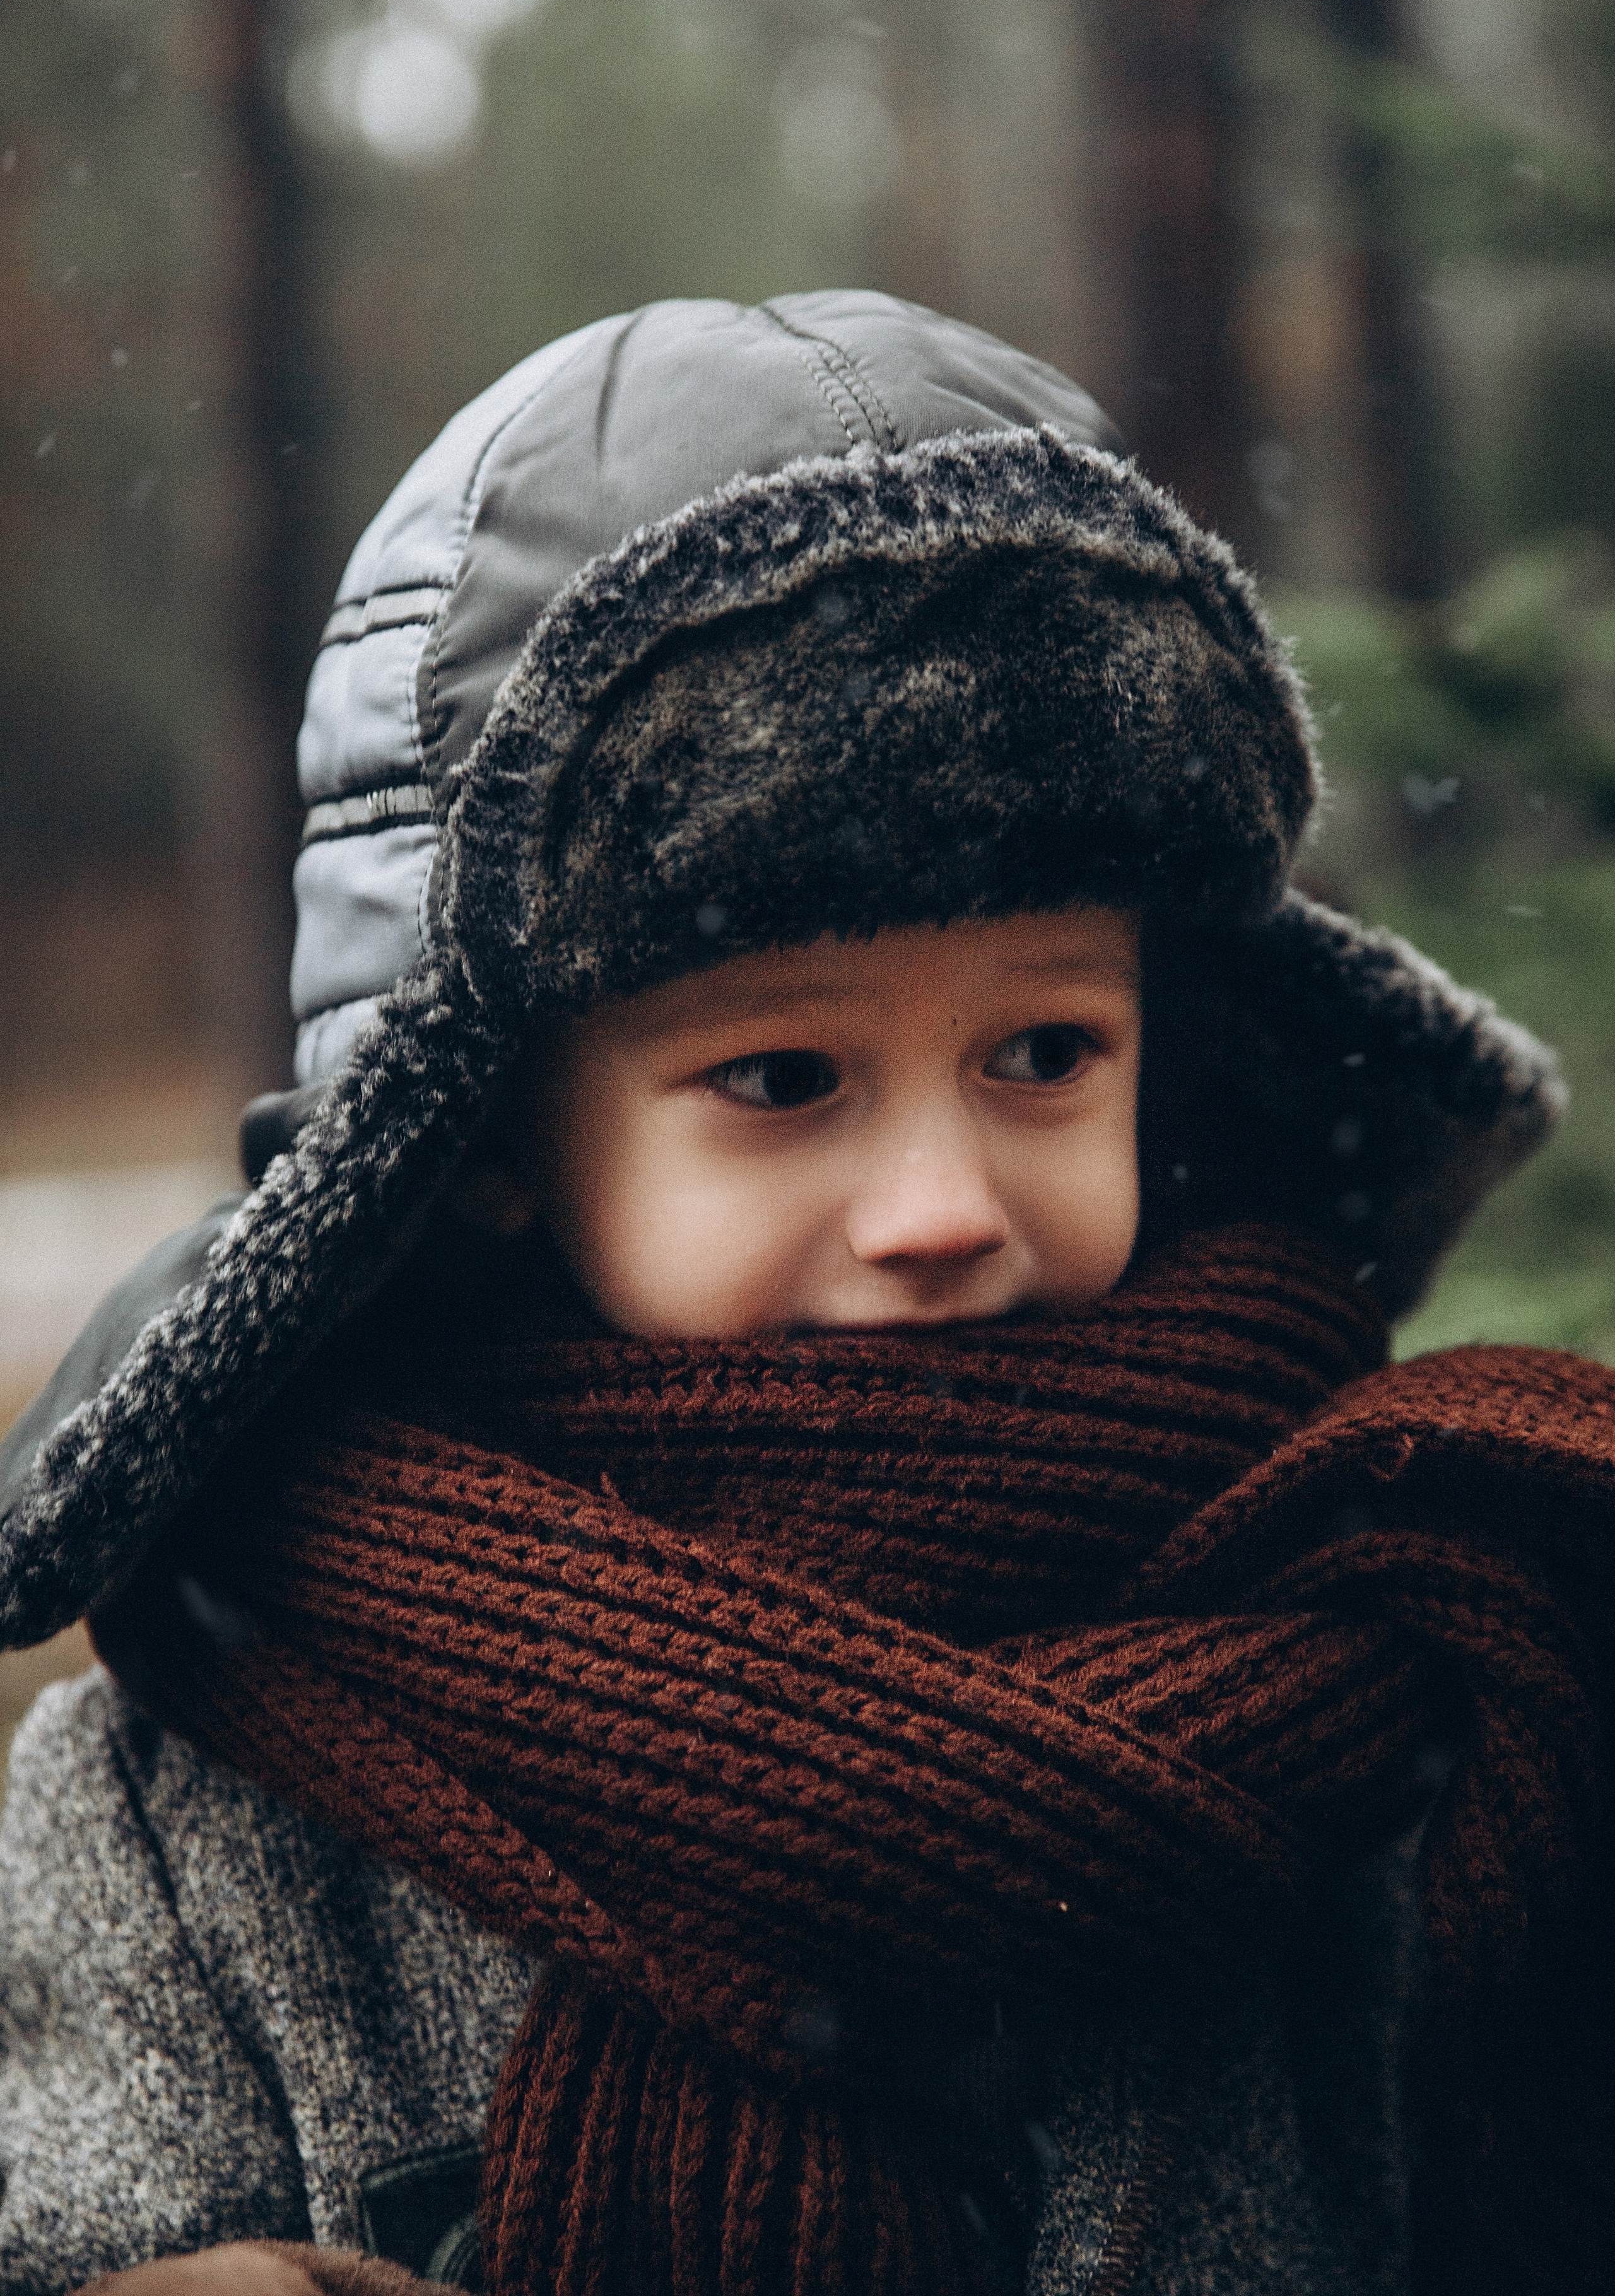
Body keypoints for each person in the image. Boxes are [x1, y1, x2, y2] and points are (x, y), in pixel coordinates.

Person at [0, 293, 1609, 2296]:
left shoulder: (1404, 1713)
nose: (938, 1206)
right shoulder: (186, 1810)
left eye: (1046, 1054)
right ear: (483, 1143)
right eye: (780, 1081)